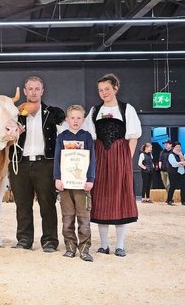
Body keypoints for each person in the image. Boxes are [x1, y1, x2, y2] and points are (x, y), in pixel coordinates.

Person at [84, 73, 141, 257]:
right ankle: (104, 244)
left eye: (107, 89)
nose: (103, 93)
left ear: (116, 88)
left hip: (120, 157)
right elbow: (89, 137)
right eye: (100, 90)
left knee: (118, 197)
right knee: (101, 198)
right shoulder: (94, 110)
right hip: (100, 158)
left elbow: (133, 137)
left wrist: (126, 159)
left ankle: (120, 245)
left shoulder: (126, 109)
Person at [9, 76, 65, 253]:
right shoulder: (14, 114)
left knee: (47, 203)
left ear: (42, 91)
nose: (33, 92)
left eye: (37, 88)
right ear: (25, 92)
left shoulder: (54, 113)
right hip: (20, 163)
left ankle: (50, 240)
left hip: (45, 163)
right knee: (22, 204)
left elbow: (65, 134)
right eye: (30, 89)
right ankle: (24, 239)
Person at [53, 105, 95, 262]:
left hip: (82, 185)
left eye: (79, 118)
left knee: (84, 218)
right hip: (65, 185)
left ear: (83, 120)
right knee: (67, 217)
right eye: (73, 118)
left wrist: (90, 179)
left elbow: (92, 160)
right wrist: (57, 177)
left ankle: (84, 249)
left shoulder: (87, 137)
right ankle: (70, 247)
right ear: (67, 119)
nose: (76, 121)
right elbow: (57, 159)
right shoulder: (61, 137)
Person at [166, 142, 185, 206]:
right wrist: (182, 163)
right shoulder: (171, 154)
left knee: (183, 187)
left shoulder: (182, 154)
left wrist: (182, 162)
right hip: (173, 173)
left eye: (179, 147)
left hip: (182, 173)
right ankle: (169, 200)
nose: (179, 148)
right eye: (177, 147)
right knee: (172, 186)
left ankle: (183, 201)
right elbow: (174, 164)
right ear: (174, 147)